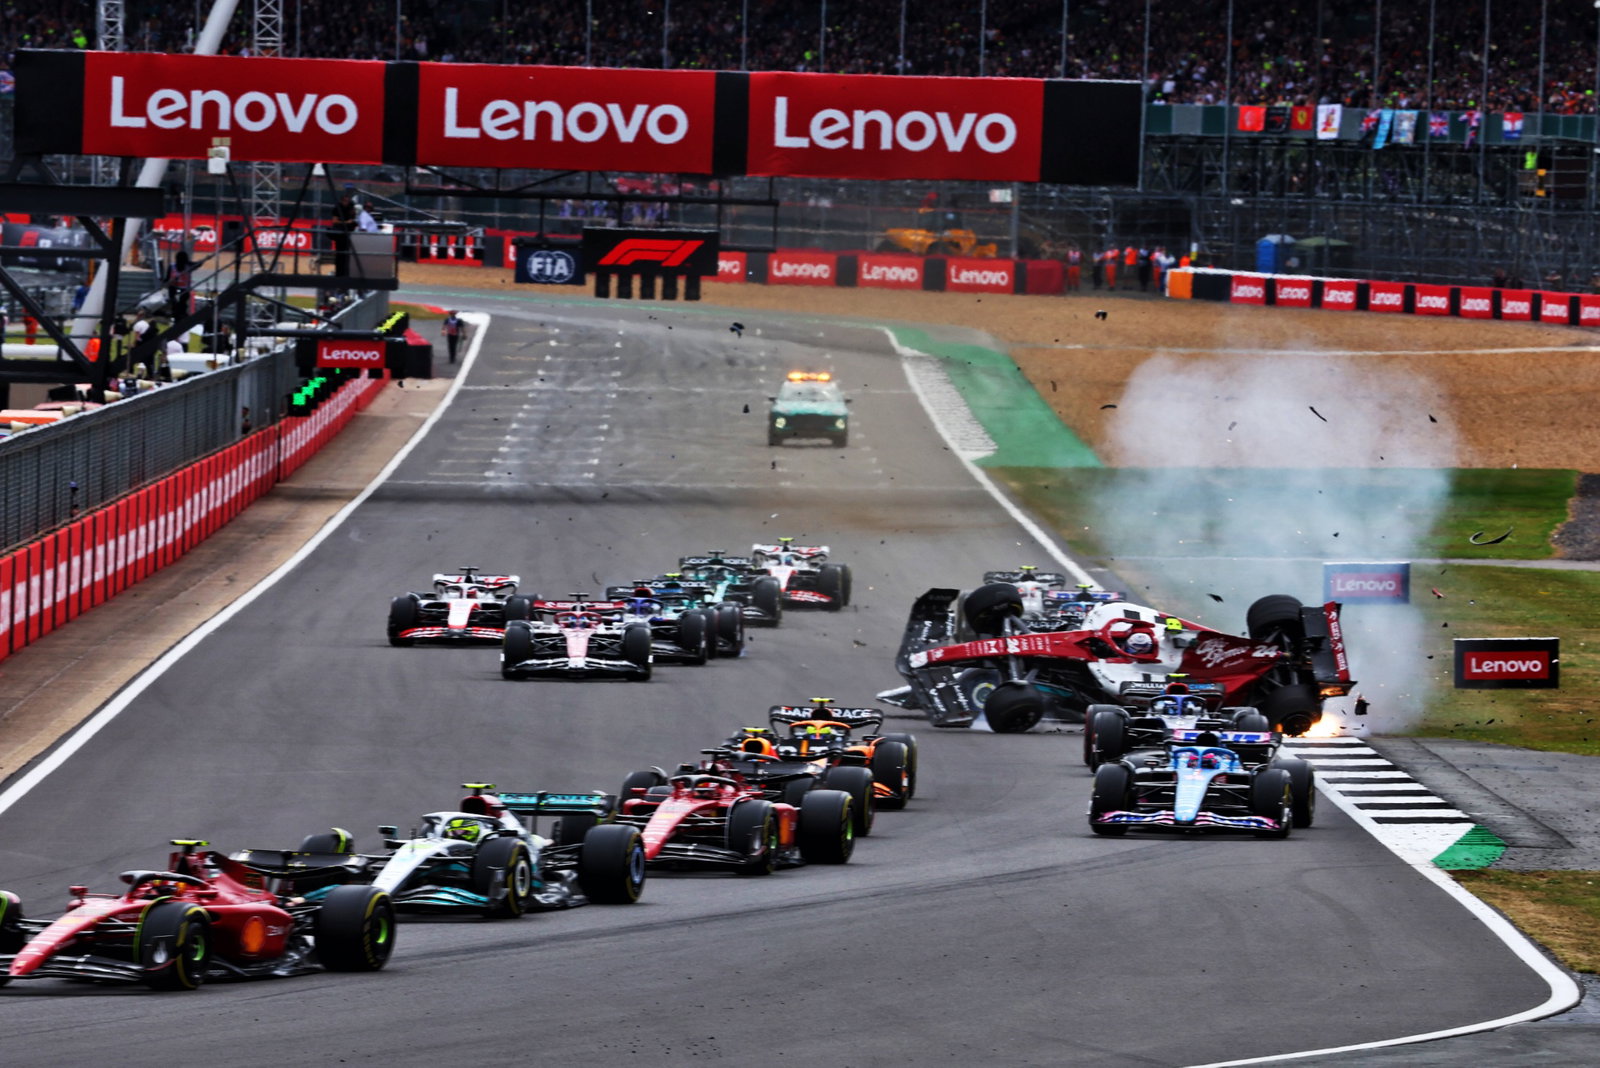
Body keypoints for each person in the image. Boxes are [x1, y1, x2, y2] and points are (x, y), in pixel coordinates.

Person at [330, 189, 358, 277]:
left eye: (348, 200)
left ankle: (348, 272)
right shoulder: (337, 208)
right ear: (342, 200)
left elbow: (354, 217)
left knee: (349, 255)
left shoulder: (351, 207)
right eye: (345, 200)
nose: (347, 202)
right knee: (340, 255)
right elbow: (334, 221)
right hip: (340, 234)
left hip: (350, 234)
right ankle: (339, 273)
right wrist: (346, 222)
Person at [167, 250, 193, 316]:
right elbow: (167, 278)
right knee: (173, 298)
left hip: (184, 290)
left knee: (182, 302)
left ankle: (182, 313)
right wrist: (168, 281)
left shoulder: (189, 266)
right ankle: (174, 310)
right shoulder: (172, 266)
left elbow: (198, 264)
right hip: (173, 288)